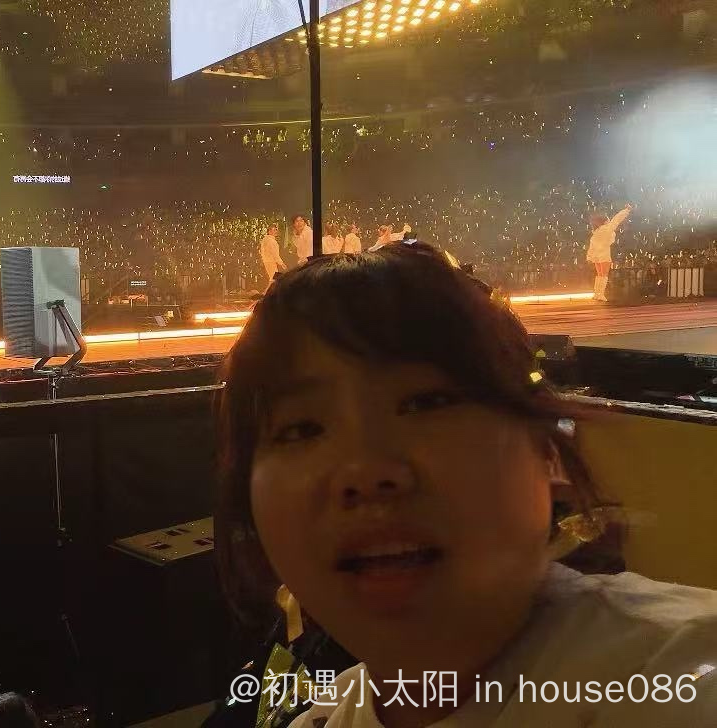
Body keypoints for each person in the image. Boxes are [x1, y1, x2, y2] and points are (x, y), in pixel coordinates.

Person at [215, 243, 717, 727]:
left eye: (426, 403)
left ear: (548, 450)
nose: (364, 471)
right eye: (301, 429)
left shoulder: (676, 673)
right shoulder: (324, 715)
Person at [587, 205, 633, 303]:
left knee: (599, 275)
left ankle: (597, 293)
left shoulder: (596, 232)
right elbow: (617, 219)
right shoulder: (607, 228)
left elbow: (592, 245)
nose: (609, 219)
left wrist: (589, 257)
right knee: (604, 275)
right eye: (608, 219)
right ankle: (600, 294)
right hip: (604, 254)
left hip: (596, 255)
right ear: (605, 221)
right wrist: (626, 210)